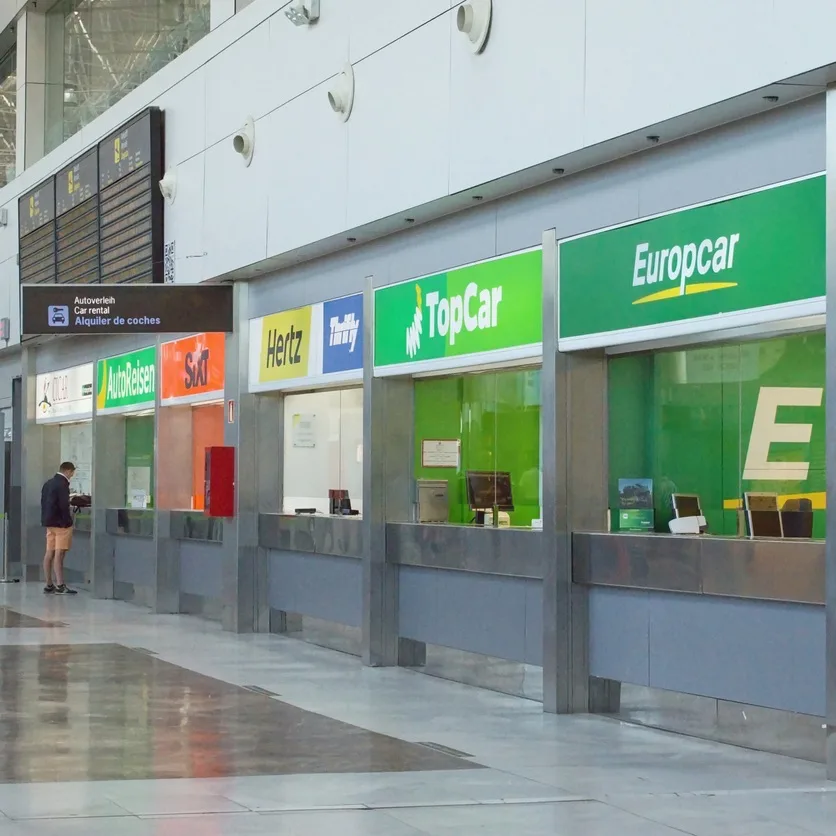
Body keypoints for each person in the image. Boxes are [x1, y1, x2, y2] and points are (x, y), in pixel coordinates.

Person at [40, 462, 78, 595]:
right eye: (72, 472)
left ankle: (49, 584)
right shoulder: (63, 484)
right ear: (68, 471)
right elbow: (63, 505)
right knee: (59, 554)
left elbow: (44, 502)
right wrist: (68, 521)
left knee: (49, 552)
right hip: (61, 524)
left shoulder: (48, 483)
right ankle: (60, 585)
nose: (72, 475)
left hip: (49, 523)